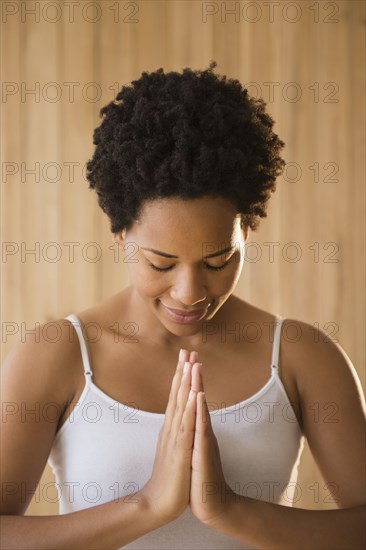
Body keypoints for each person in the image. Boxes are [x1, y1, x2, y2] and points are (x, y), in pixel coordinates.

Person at [1, 61, 365, 549]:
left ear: (246, 232)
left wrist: (230, 511)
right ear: (120, 235)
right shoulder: (56, 353)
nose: (190, 292)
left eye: (218, 261)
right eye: (160, 263)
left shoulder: (303, 356)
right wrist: (148, 507)